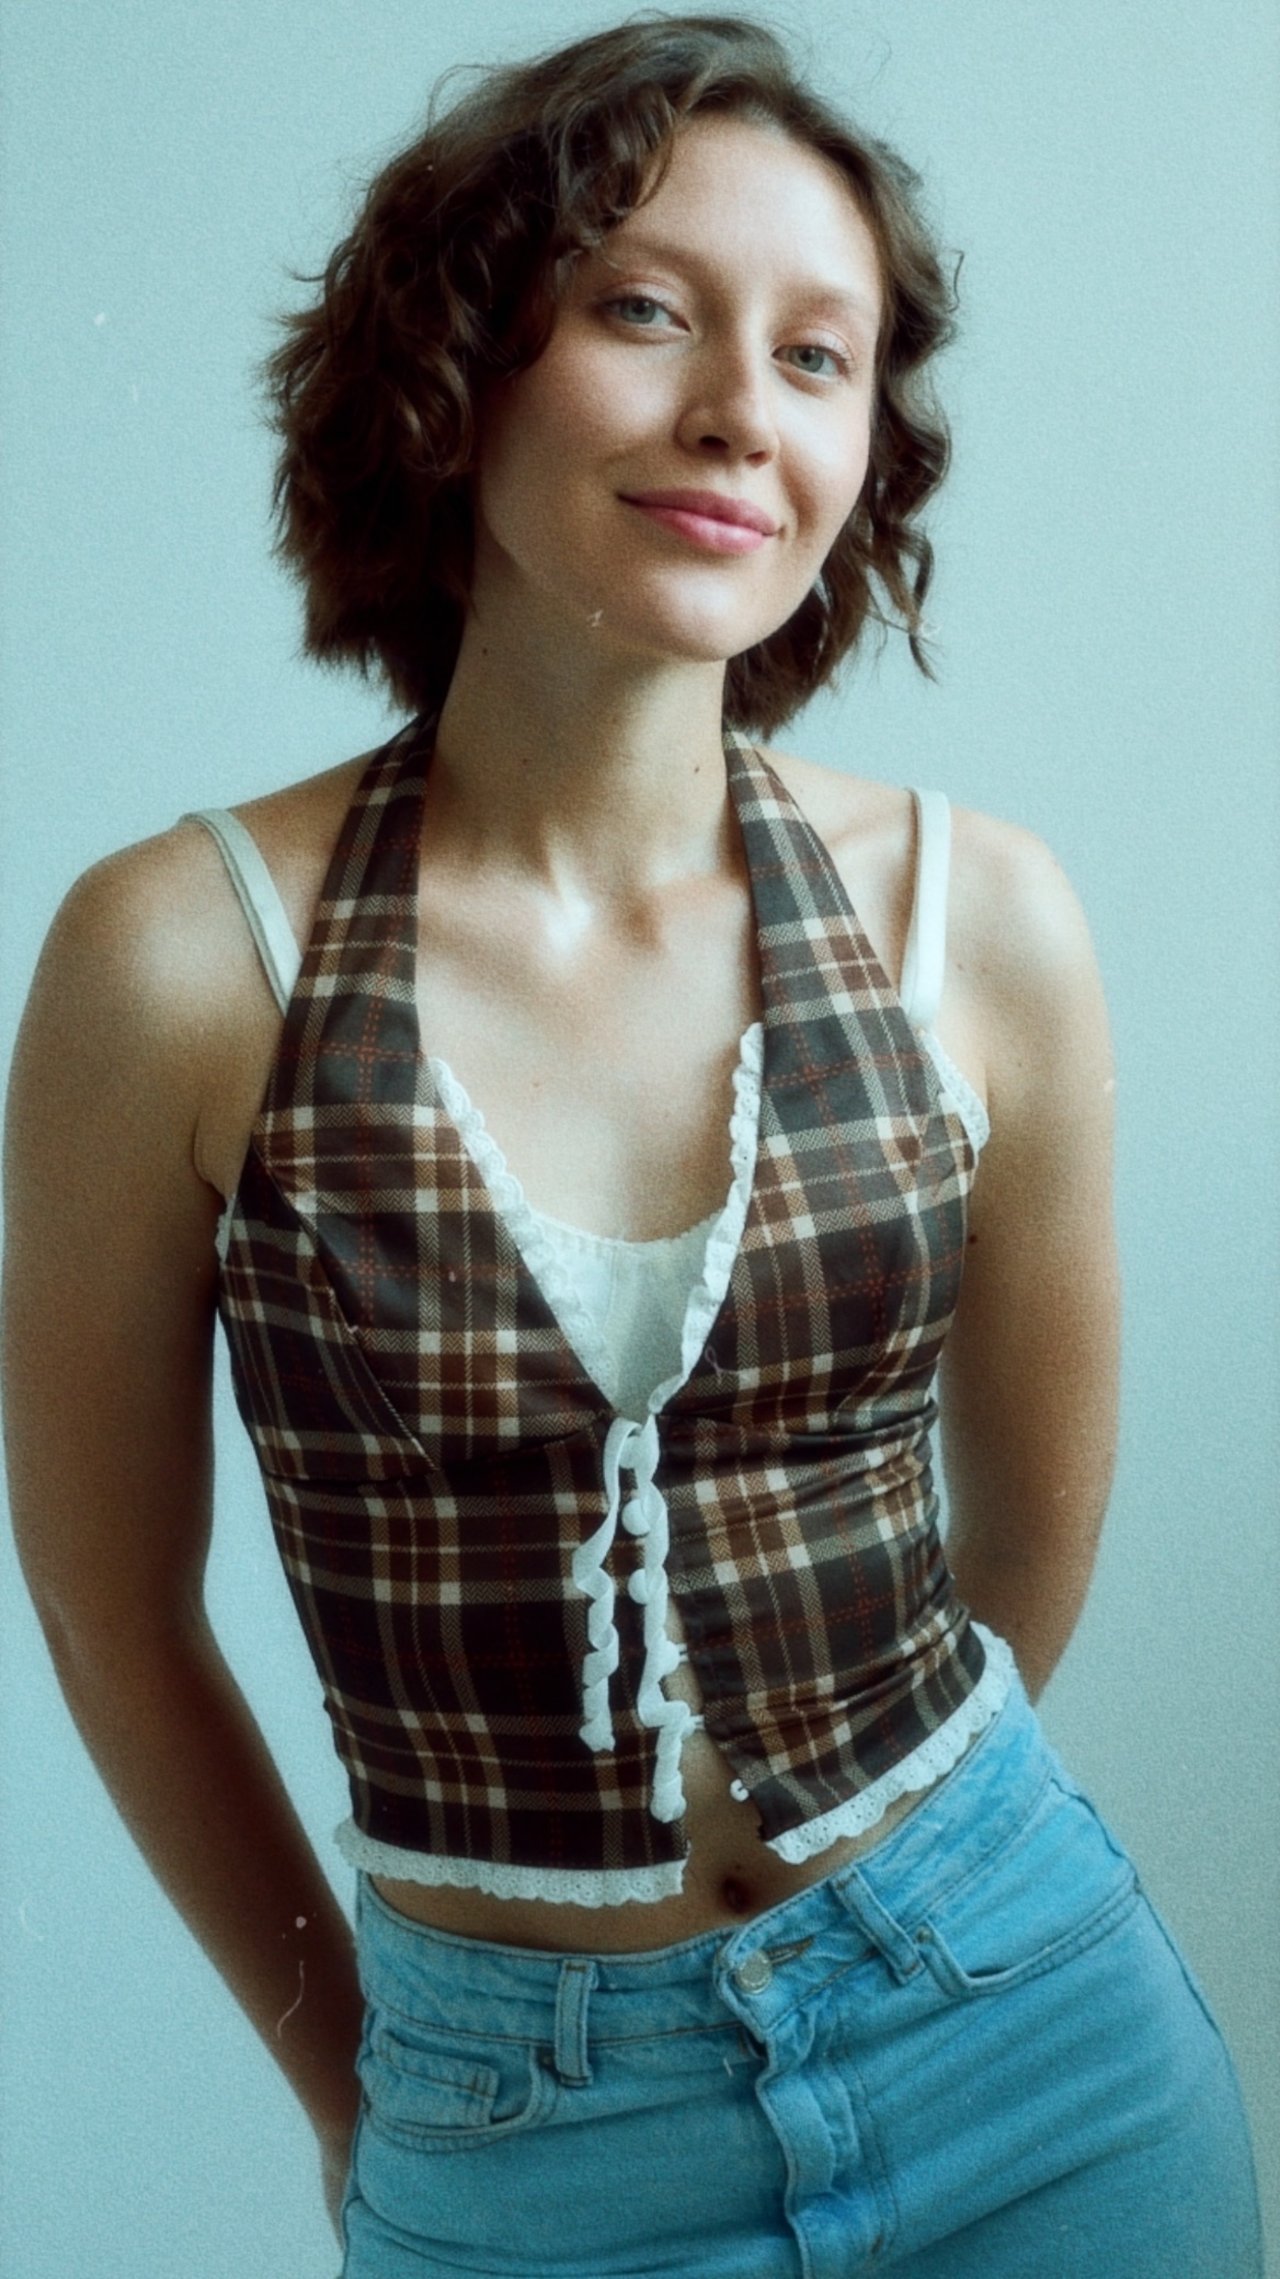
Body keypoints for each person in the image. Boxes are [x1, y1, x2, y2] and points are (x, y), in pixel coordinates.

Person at [1, 14, 1263, 2276]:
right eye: (648, 308)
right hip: (526, 2128)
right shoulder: (183, 961)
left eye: (818, 357)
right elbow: (111, 1605)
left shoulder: (978, 923)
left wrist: (891, 1876)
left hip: (1031, 2047)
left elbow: (1027, 1536)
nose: (740, 413)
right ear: (458, 365)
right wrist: (365, 2077)